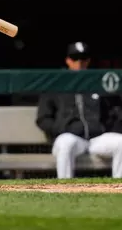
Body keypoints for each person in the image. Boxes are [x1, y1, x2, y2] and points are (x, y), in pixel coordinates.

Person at [36, 42, 122, 179]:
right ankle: (65, 190)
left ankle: (118, 188)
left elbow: (114, 112)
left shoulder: (98, 83)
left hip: (96, 139)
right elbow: (43, 118)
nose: (79, 63)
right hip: (71, 137)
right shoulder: (56, 84)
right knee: (65, 143)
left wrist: (106, 127)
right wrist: (61, 128)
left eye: (83, 59)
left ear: (88, 61)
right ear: (68, 60)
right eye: (75, 59)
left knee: (120, 142)